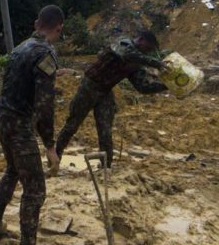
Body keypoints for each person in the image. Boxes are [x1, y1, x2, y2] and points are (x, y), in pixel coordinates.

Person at [0, 5, 64, 244]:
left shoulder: (19, 49)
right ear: (58, 28)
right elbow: (44, 105)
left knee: (12, 170)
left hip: (3, 119)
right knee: (35, 189)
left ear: (36, 23)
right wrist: (50, 147)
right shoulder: (46, 53)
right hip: (19, 124)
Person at [55, 31, 168, 168]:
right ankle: (54, 158)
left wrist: (166, 86)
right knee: (72, 125)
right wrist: (156, 63)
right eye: (148, 48)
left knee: (105, 131)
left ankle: (106, 167)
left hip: (105, 92)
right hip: (89, 87)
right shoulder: (123, 43)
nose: (147, 52)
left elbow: (142, 87)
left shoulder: (137, 63)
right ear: (141, 40)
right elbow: (126, 54)